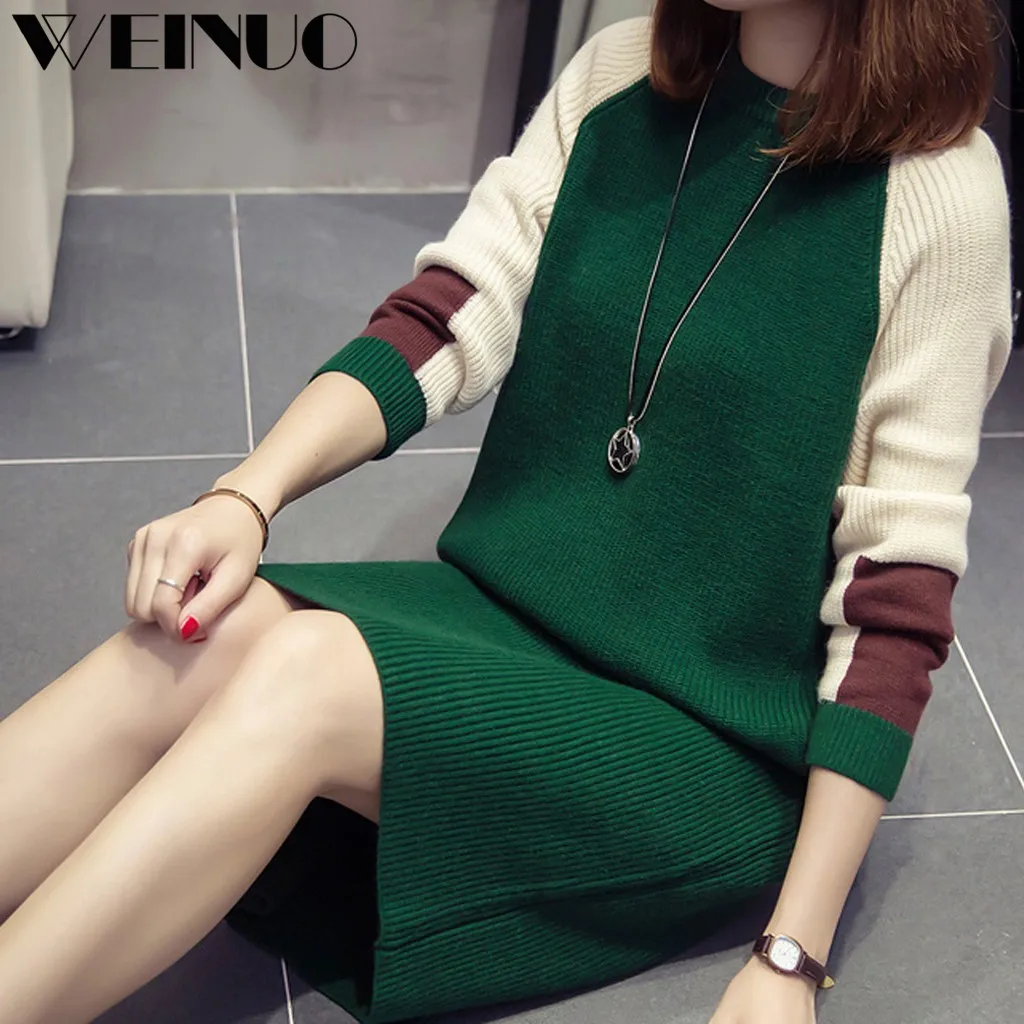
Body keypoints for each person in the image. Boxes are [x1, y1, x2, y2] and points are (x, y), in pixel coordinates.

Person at [0, 1, 1012, 1022]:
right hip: (506, 617)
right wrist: (245, 495)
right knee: (200, 636)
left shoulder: (939, 196)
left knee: (308, 671)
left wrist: (789, 957)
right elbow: (447, 314)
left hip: (709, 736)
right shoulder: (622, 75)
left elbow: (895, 603)